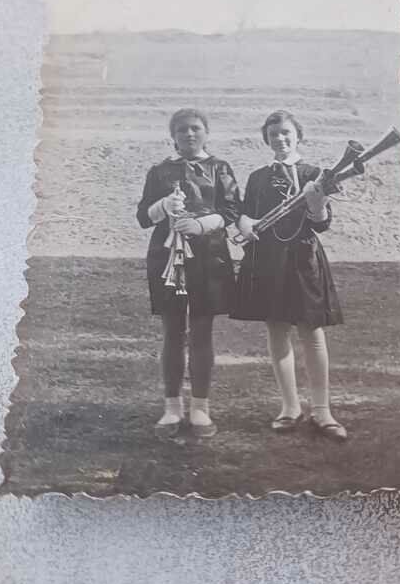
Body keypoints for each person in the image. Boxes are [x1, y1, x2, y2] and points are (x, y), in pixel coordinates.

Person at [231, 109, 347, 440]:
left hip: (303, 258)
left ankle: (323, 412)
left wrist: (316, 202)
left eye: (286, 133)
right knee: (277, 330)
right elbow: (246, 214)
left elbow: (321, 224)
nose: (280, 139)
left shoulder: (315, 173)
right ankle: (290, 407)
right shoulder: (258, 177)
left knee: (312, 332)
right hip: (267, 259)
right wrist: (244, 224)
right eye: (273, 135)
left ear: (298, 135)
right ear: (266, 140)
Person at [136, 108, 240, 438]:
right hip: (167, 258)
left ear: (206, 132)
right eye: (182, 130)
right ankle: (171, 409)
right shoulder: (159, 171)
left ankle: (200, 409)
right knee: (172, 331)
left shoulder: (220, 168)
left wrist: (200, 223)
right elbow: (143, 217)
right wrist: (165, 205)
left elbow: (232, 211)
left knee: (201, 331)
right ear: (173, 136)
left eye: (195, 128)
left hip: (209, 259)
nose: (189, 134)